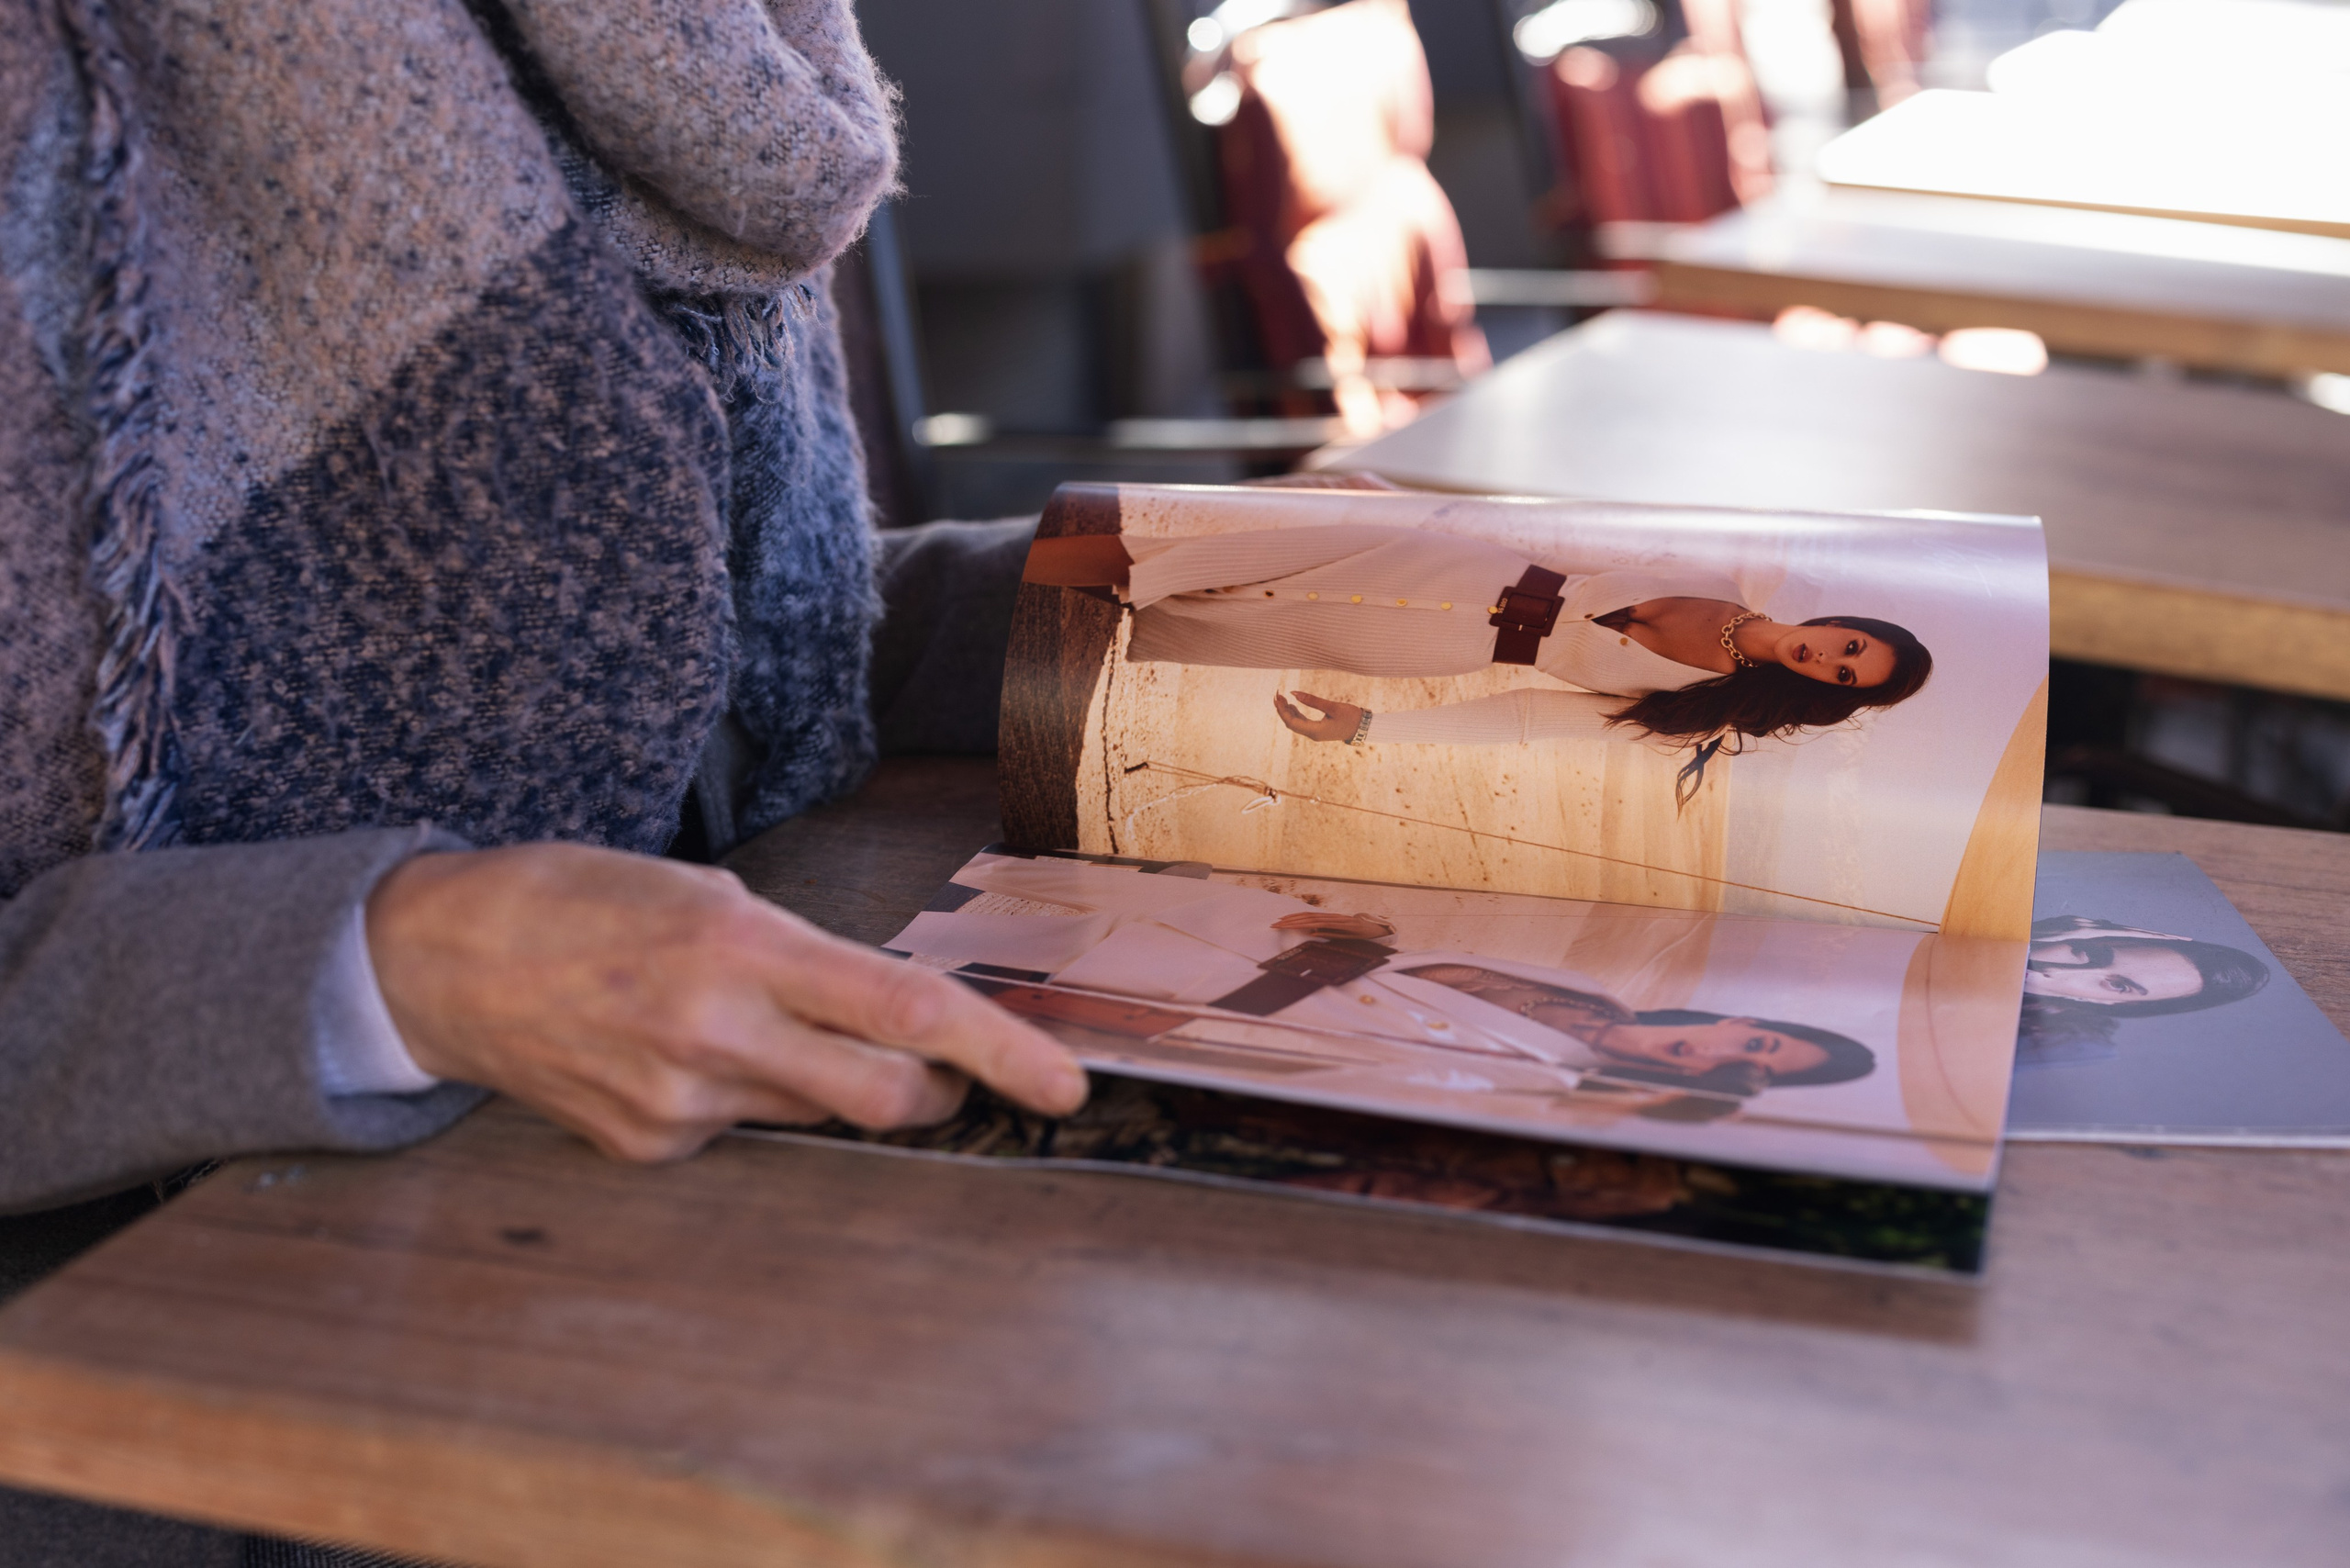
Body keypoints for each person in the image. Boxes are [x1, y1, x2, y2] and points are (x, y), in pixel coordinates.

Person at [1, 4, 1077, 1562]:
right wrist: (404, 960)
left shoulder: (683, 49)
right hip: (161, 1402)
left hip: (668, 1261)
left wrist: (1146, 594)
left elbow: (674, 655)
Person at [891, 852, 1875, 1119]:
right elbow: (1409, 967)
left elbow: (1327, 1059)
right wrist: (1362, 929)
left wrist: (1136, 1021)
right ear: (1741, 1016)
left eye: (1751, 1067)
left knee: (937, 975)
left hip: (1190, 998)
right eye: (1756, 1035)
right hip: (1243, 933)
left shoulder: (1539, 1084)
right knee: (963, 907)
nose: (1722, 1048)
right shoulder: (1591, 994)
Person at [1023, 522, 1932, 800]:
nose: (1831, 659)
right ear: (1844, 620)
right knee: (1156, 565)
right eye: (1851, 645)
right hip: (1438, 557)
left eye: (1843, 677)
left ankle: (1008, 612)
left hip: (1432, 644)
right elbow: (1556, 523)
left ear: (1824, 693)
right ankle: (1013, 568)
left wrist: (1373, 728)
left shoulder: (1700, 702)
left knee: (1173, 631)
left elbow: (1529, 720)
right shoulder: (1721, 562)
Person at [2016, 915, 2269, 1068]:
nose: (2055, 971)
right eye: (2089, 953)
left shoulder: (2066, 1042)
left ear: (2115, 1004)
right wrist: (2032, 930)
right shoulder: (2036, 931)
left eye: (2119, 986)